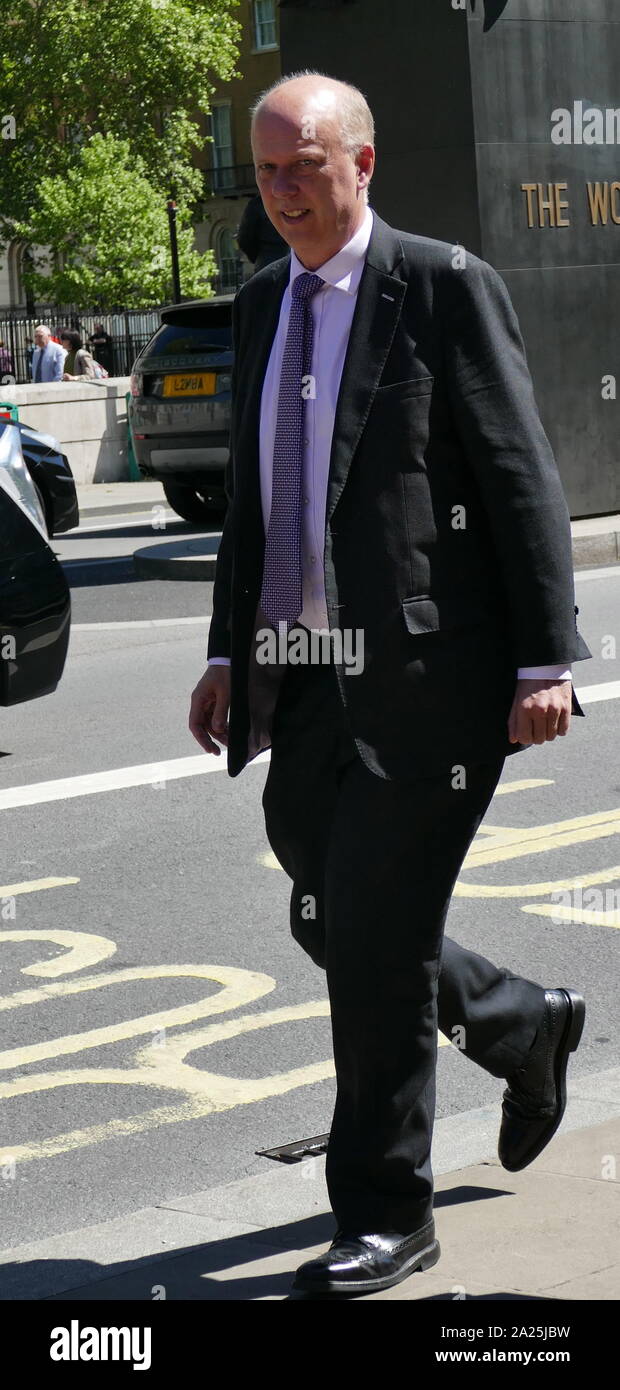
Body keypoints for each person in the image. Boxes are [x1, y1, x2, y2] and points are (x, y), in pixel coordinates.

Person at [189, 72, 592, 1298]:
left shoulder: (440, 285)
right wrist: (225, 649)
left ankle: (384, 1206)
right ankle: (520, 1021)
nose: (283, 192)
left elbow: (517, 472)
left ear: (363, 163)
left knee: (365, 935)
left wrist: (543, 661)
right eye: (264, 171)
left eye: (304, 166)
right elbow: (252, 505)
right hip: (303, 671)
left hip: (430, 677)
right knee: (329, 900)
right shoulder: (262, 303)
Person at [236, 191, 289, 272]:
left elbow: (244, 238)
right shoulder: (257, 205)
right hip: (274, 259)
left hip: (266, 262)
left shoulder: (256, 205)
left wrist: (256, 257)